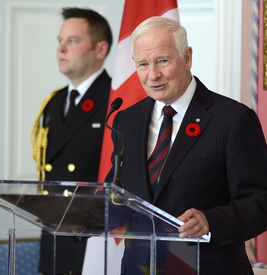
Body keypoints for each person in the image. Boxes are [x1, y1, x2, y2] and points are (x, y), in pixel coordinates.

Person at [105, 16, 267, 275]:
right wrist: (73, 214)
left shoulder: (232, 119)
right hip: (138, 268)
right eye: (143, 64)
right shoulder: (126, 120)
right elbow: (119, 195)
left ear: (187, 57)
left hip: (208, 267)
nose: (153, 75)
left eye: (163, 61)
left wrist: (210, 221)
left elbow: (260, 202)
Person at [30, 7, 112, 275]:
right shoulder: (53, 103)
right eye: (60, 41)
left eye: (72, 41)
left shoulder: (116, 101)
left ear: (100, 50)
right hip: (54, 236)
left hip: (95, 238)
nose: (61, 48)